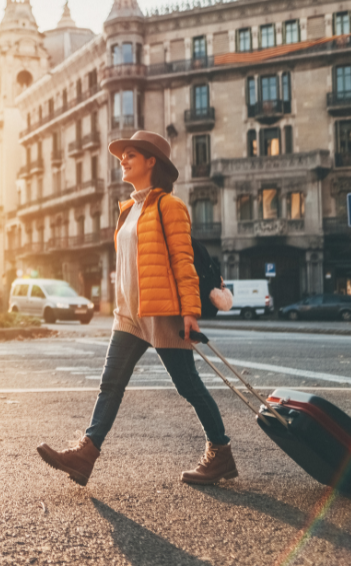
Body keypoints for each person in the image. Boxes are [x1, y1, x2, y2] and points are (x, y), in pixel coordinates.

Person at [37, 131, 236, 487]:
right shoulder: (128, 209)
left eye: (131, 155)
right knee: (110, 384)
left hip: (162, 314)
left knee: (188, 386)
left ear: (151, 162)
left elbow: (183, 262)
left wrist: (190, 312)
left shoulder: (170, 207)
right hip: (128, 315)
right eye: (121, 156)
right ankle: (86, 454)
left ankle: (220, 453)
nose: (123, 160)